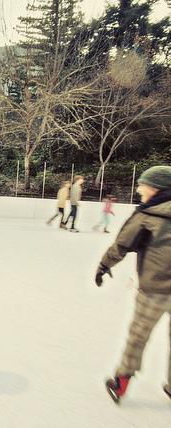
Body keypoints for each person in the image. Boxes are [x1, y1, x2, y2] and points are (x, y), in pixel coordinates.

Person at [95, 166, 171, 404]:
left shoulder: (147, 214)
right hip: (156, 286)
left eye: (143, 185)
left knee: (138, 335)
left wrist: (104, 265)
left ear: (158, 189)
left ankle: (122, 382)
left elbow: (122, 244)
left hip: (154, 288)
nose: (139, 189)